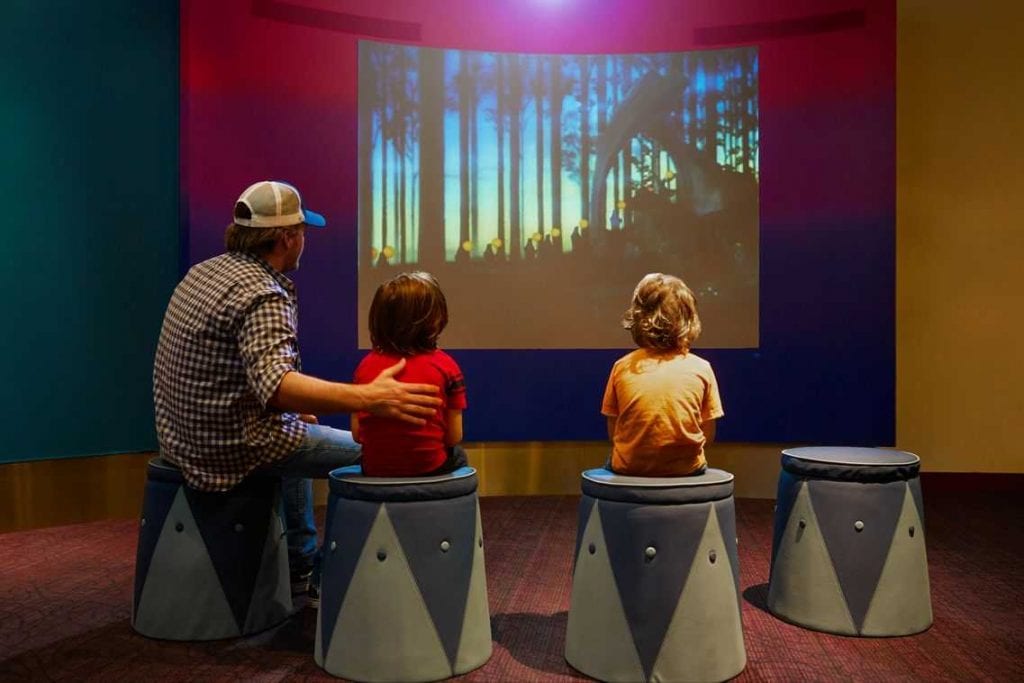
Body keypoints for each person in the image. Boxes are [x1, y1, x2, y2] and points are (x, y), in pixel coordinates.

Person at [153, 180, 441, 597]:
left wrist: (286, 411)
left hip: (182, 439)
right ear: (287, 238)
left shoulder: (206, 272)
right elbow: (276, 385)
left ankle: (299, 562)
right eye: (303, 232)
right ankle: (328, 578)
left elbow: (244, 379)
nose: (305, 240)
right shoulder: (263, 292)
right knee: (379, 451)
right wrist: (369, 398)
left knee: (295, 432)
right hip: (231, 446)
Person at [601, 273, 723, 477]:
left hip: (629, 468)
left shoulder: (622, 367)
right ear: (689, 319)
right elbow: (708, 434)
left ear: (639, 317)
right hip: (687, 469)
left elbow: (613, 430)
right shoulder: (702, 368)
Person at [352, 272, 468, 476]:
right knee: (459, 455)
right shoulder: (447, 366)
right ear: (435, 319)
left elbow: (357, 435)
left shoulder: (365, 367)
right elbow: (454, 436)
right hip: (430, 469)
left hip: (375, 470)